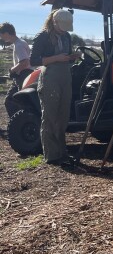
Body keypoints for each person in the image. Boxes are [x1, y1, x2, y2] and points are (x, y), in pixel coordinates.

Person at [30, 10, 80, 165]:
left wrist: (73, 57)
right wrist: (56, 58)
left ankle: (61, 152)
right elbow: (33, 61)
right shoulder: (43, 36)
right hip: (50, 77)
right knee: (50, 116)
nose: (64, 30)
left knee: (63, 116)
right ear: (54, 22)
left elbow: (67, 58)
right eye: (62, 26)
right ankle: (51, 156)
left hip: (65, 76)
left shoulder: (66, 36)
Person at [0, 22, 33, 117]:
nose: (1, 38)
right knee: (12, 101)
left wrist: (12, 70)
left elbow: (24, 62)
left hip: (23, 75)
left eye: (1, 35)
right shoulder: (20, 43)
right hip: (22, 75)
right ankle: (19, 124)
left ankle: (19, 124)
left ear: (6, 33)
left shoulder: (19, 45)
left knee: (15, 101)